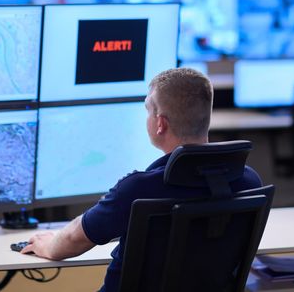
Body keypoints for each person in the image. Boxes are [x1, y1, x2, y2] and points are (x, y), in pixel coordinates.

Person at [21, 68, 263, 291]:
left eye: (148, 109)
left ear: (160, 124)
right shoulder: (249, 183)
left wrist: (48, 245)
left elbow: (75, 238)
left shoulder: (139, 189)